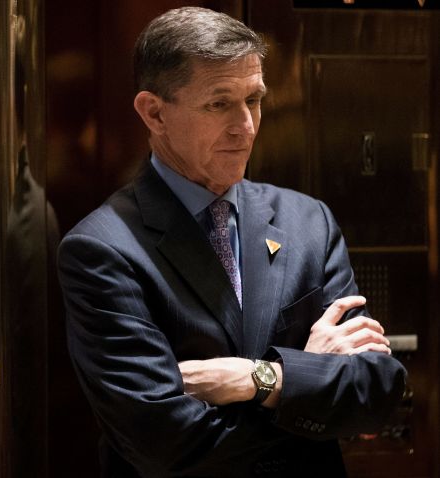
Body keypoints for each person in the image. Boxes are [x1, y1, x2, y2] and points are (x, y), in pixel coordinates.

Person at [57, 7, 407, 477]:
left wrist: (258, 379)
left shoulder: (309, 221)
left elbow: (377, 393)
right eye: (219, 103)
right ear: (154, 112)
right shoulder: (102, 249)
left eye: (254, 99)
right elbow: (164, 442)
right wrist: (309, 381)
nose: (246, 125)